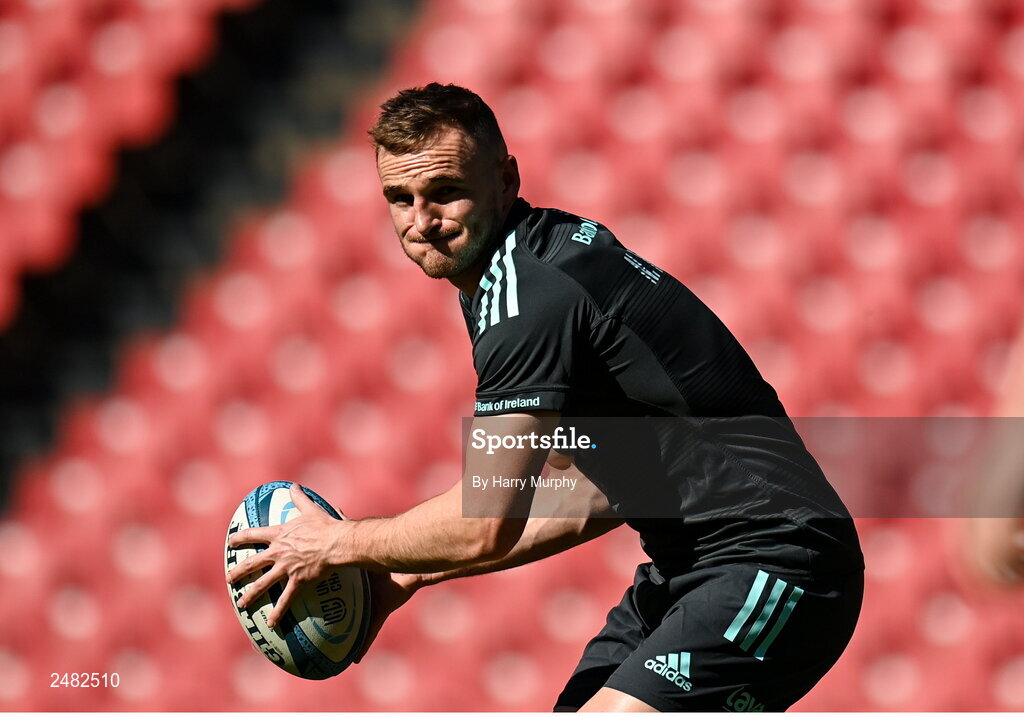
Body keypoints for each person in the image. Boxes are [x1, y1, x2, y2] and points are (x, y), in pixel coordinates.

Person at [226, 83, 864, 712]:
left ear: (506, 180)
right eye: (400, 197)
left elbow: (485, 524)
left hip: (778, 560)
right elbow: (604, 491)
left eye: (446, 192)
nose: (422, 222)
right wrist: (413, 571)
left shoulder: (528, 298)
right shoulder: (531, 261)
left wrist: (336, 544)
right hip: (690, 568)